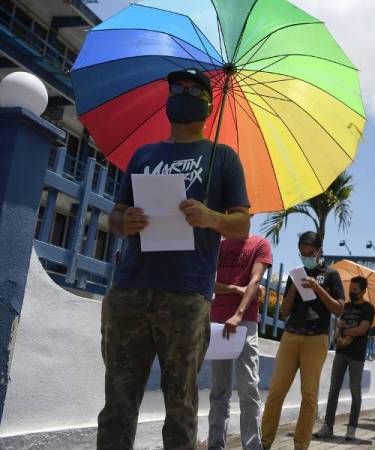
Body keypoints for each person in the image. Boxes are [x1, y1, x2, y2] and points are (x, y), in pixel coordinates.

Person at [98, 68, 250, 450]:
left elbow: (242, 225)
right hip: (129, 288)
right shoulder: (143, 154)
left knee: (180, 402)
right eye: (176, 88)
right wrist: (125, 221)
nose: (182, 92)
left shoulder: (224, 158)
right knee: (118, 400)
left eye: (193, 89)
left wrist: (210, 216)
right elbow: (114, 217)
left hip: (187, 295)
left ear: (209, 105)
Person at [261, 231, 345, 450]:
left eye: (309, 253)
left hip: (316, 339)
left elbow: (339, 308)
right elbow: (286, 310)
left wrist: (318, 289)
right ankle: (264, 442)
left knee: (309, 395)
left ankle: (301, 445)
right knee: (276, 392)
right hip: (291, 336)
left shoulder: (331, 275)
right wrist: (296, 287)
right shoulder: (295, 274)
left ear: (319, 251)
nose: (306, 256)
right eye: (302, 253)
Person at [208, 234, 273, 450]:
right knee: (218, 390)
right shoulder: (217, 246)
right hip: (217, 321)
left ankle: (252, 447)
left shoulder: (260, 244)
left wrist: (238, 313)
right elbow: (209, 282)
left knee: (248, 388)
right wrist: (236, 289)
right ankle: (215, 445)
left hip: (244, 322)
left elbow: (255, 282)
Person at [314, 276, 375, 440]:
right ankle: (328, 426)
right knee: (333, 389)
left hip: (356, 355)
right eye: (351, 288)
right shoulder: (346, 306)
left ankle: (352, 428)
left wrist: (345, 330)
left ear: (363, 291)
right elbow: (339, 325)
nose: (352, 292)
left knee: (355, 391)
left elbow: (361, 330)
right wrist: (338, 334)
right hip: (341, 352)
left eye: (355, 290)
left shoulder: (369, 309)